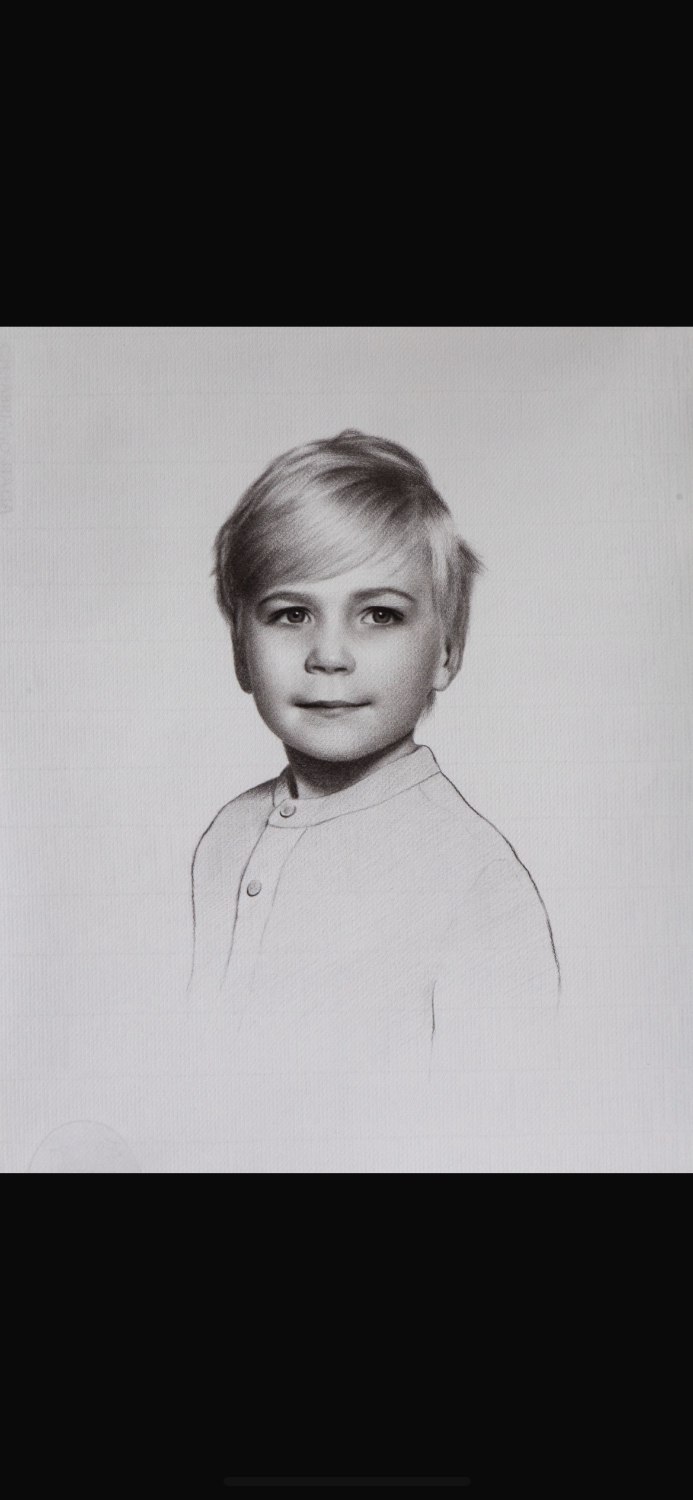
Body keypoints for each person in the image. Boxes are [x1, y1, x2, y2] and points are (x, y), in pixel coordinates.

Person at [186, 430, 560, 1170]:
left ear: (446, 652)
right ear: (239, 650)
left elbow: (502, 1141)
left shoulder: (475, 880)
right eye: (291, 613)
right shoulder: (228, 834)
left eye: (379, 614)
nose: (329, 655)